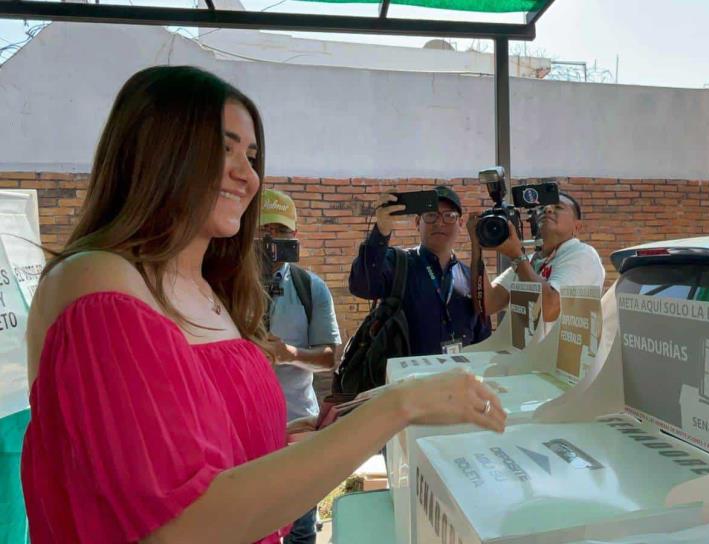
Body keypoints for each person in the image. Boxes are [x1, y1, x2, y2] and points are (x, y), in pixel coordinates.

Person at [21, 65, 505, 543]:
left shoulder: (204, 287)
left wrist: (283, 439)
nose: (246, 175)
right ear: (156, 152)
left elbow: (202, 451)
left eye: (250, 155)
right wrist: (401, 404)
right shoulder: (102, 282)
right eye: (222, 148)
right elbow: (184, 524)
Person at [258, 188, 341, 543]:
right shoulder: (221, 285)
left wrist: (288, 354)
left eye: (279, 232)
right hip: (238, 432)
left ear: (295, 237)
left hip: (295, 425)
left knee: (299, 530)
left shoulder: (311, 288)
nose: (271, 242)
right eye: (262, 233)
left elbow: (331, 357)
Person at [348, 187, 491, 356]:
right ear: (417, 223)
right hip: (407, 379)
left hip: (457, 378)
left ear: (460, 223)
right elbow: (362, 286)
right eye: (431, 215)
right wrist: (380, 232)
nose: (439, 222)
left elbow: (483, 337)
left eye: (449, 216)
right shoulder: (397, 263)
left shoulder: (471, 277)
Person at [470, 192, 606, 324]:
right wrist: (477, 246)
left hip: (562, 347)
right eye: (542, 208)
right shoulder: (528, 261)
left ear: (577, 227)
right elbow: (487, 304)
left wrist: (516, 257)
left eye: (558, 207)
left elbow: (548, 310)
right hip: (531, 347)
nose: (547, 210)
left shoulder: (583, 254)